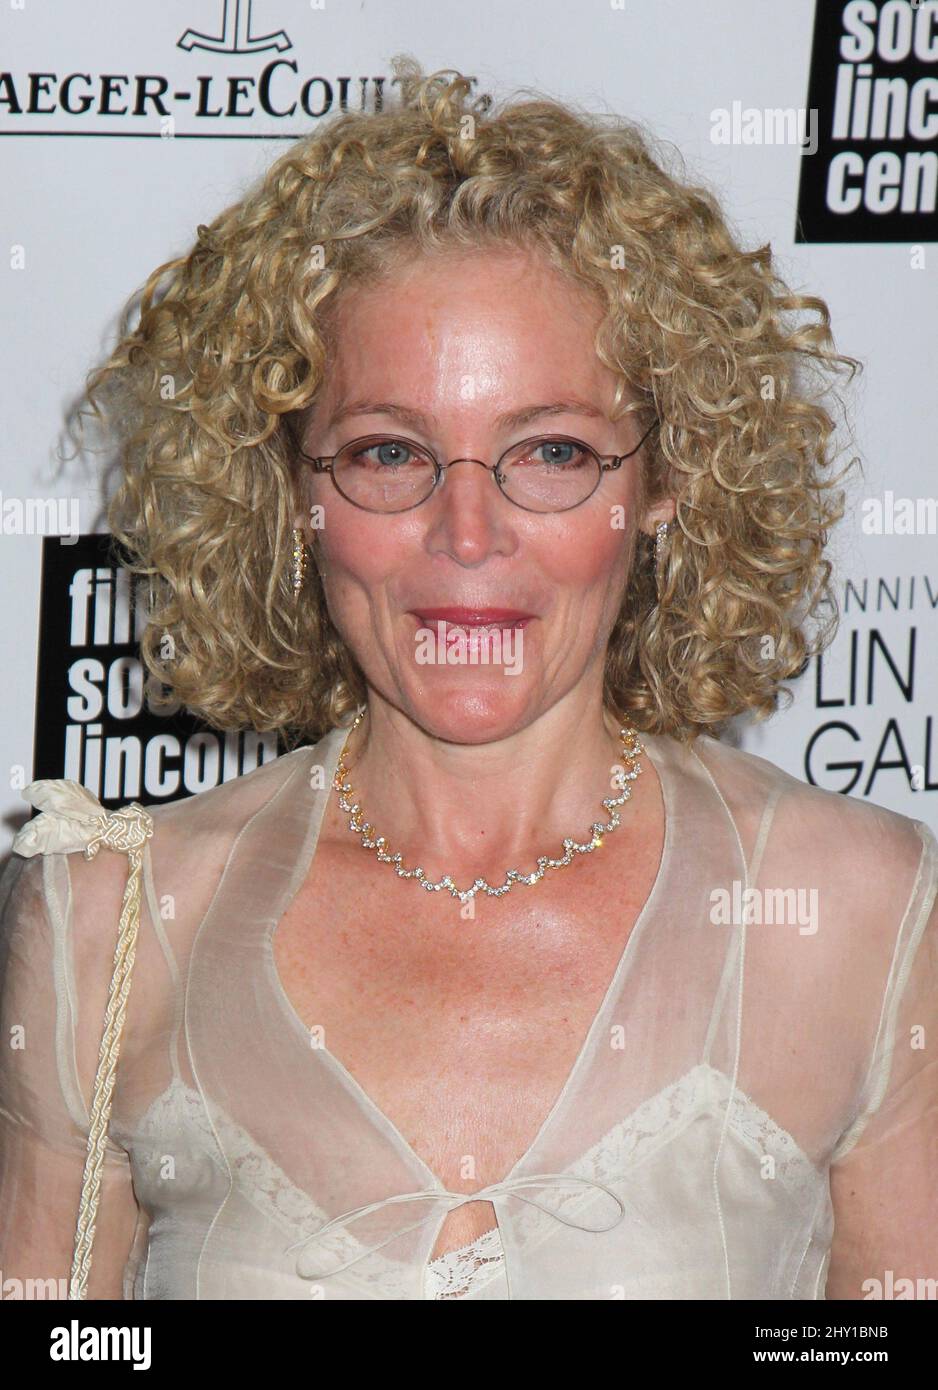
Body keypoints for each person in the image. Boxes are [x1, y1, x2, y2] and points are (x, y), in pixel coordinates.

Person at [0, 56, 935, 1302]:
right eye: (389, 452)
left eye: (549, 451)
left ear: (664, 487)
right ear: (292, 494)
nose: (467, 534)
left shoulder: (856, 913)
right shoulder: (112, 923)